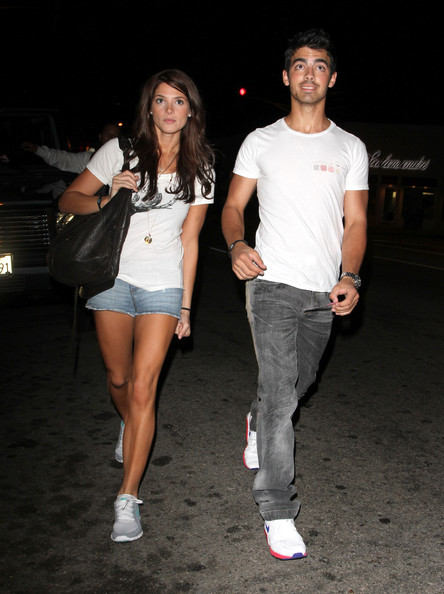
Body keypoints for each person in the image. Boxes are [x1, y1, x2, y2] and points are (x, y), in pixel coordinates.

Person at [221, 29, 368, 560]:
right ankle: (277, 511)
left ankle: (257, 415)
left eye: (320, 65)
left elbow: (356, 221)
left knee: (297, 386)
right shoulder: (260, 141)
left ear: (333, 77)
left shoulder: (350, 147)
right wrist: (237, 244)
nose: (310, 73)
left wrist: (351, 276)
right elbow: (232, 207)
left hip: (323, 290)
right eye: (300, 65)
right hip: (271, 283)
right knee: (283, 398)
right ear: (286, 76)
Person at [58, 69, 215, 542]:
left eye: (179, 101)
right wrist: (108, 196)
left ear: (191, 111)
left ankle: (127, 498)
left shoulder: (202, 166)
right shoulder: (118, 152)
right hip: (111, 277)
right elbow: (69, 199)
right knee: (119, 379)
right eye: (161, 100)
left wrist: (185, 307)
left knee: (145, 388)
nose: (169, 109)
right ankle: (129, 423)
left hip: (162, 284)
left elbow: (190, 240)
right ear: (149, 107)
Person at [22, 122, 121, 173]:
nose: (111, 137)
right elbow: (63, 159)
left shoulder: (126, 159)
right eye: (107, 133)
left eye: (115, 135)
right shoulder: (89, 159)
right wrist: (38, 150)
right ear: (100, 136)